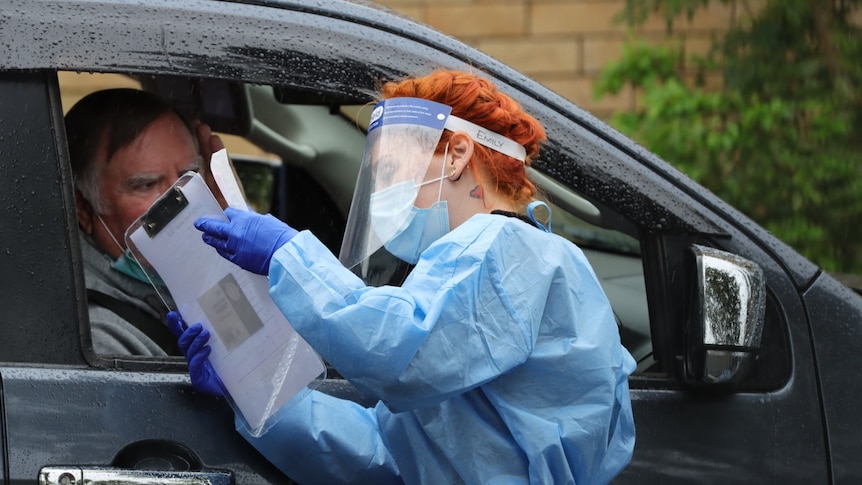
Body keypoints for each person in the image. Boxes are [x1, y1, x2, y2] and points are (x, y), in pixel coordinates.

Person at [171, 69, 636, 484]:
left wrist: (286, 253)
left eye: (394, 170)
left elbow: (392, 350)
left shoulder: (504, 250)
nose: (385, 194)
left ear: (456, 155)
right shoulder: (488, 263)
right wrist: (255, 395)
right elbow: (386, 454)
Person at [66, 88, 227, 356]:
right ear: (83, 208)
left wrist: (228, 245)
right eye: (148, 184)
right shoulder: (97, 338)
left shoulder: (175, 282)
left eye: (189, 175)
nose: (181, 201)